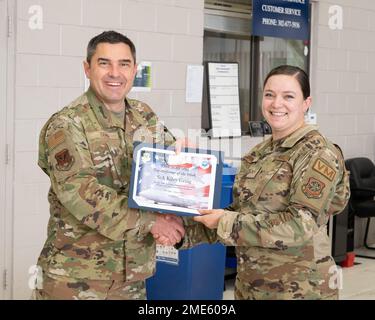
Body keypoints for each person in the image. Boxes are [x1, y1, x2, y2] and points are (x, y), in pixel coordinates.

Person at [34, 30, 186, 300]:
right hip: (77, 279)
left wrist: (186, 166)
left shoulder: (144, 115)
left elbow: (167, 175)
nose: (115, 73)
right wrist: (152, 223)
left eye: (124, 64)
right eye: (104, 63)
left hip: (131, 278)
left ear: (135, 70)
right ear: (87, 68)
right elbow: (82, 194)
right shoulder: (68, 124)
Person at [183, 65, 350, 300]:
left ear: (306, 103)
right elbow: (241, 213)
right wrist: (183, 232)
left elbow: (299, 225)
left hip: (300, 290)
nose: (276, 104)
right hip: (253, 287)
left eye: (288, 96)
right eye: (269, 94)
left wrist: (226, 221)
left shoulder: (318, 153)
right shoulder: (261, 152)